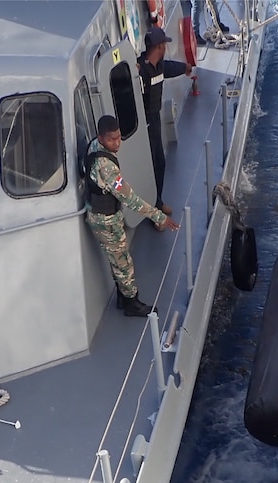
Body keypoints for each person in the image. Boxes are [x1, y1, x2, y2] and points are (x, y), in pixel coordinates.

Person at [85, 115, 179, 317]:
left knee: (117, 259)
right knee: (123, 263)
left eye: (119, 138)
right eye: (112, 140)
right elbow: (130, 198)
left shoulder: (93, 147)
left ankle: (122, 296)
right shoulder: (106, 166)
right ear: (101, 139)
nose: (117, 143)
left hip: (102, 215)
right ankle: (131, 304)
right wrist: (158, 216)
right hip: (106, 221)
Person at [137, 27, 193, 215]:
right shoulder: (139, 69)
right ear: (160, 46)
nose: (165, 48)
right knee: (150, 164)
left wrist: (185, 68)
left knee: (159, 163)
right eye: (164, 45)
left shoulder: (159, 66)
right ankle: (152, 207)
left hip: (154, 119)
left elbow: (170, 68)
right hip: (141, 123)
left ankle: (157, 201)